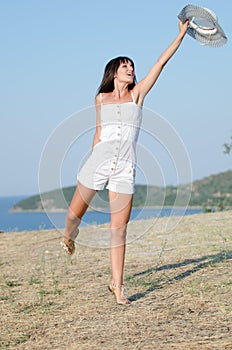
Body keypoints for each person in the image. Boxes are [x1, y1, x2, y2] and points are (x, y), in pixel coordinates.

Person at [61, 19, 189, 305]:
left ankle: (117, 287)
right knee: (71, 217)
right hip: (97, 163)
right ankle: (69, 238)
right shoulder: (101, 98)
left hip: (124, 169)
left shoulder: (137, 95)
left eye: (132, 66)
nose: (131, 69)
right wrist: (93, 160)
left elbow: (161, 62)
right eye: (125, 66)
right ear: (114, 73)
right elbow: (98, 132)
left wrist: (180, 34)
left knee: (118, 230)